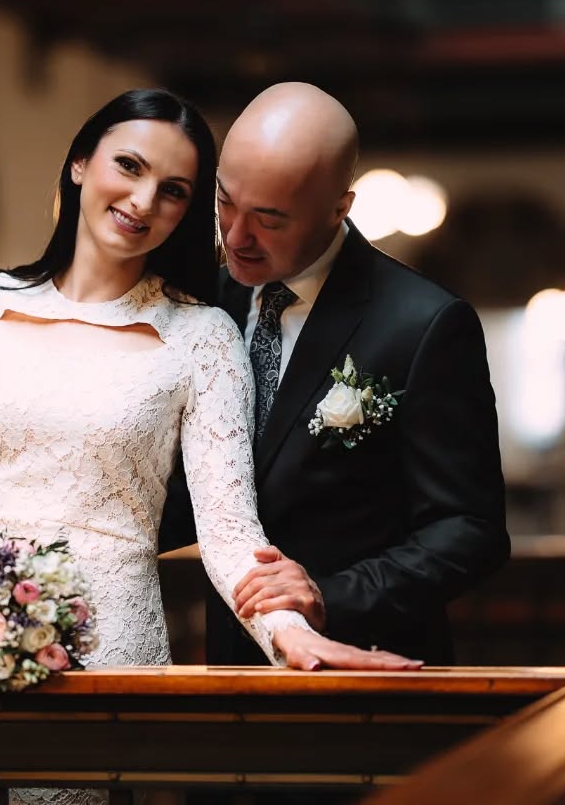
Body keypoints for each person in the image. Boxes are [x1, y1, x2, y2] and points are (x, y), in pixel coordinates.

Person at [0, 89, 419, 805]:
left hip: (107, 636)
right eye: (127, 167)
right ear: (80, 162)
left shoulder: (202, 338)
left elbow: (228, 530)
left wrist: (288, 631)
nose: (142, 201)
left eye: (173, 191)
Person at [160, 82, 510, 669]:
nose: (236, 237)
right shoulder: (201, 304)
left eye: (269, 219)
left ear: (339, 208)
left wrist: (330, 595)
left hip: (371, 667)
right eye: (225, 202)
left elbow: (469, 530)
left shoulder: (423, 324)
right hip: (228, 662)